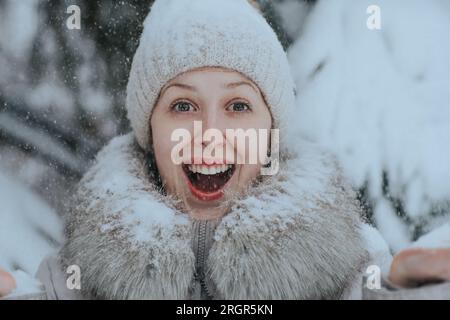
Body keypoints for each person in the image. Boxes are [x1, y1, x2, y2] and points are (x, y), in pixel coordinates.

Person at [1, 0, 449, 300]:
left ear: (271, 127)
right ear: (149, 130)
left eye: (238, 105)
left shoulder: (351, 273)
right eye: (182, 105)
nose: (209, 132)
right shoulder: (72, 283)